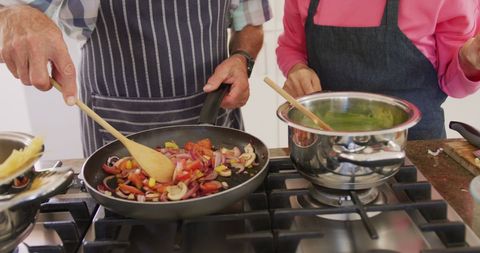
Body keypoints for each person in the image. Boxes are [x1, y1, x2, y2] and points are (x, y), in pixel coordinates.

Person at [0, 0, 271, 155]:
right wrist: (13, 16)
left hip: (216, 130)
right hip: (118, 138)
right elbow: (8, 14)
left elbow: (250, 23)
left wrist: (242, 58)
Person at [276, 0, 480, 140]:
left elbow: (454, 85)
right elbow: (292, 47)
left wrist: (469, 63)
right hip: (322, 149)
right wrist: (297, 69)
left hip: (414, 149)